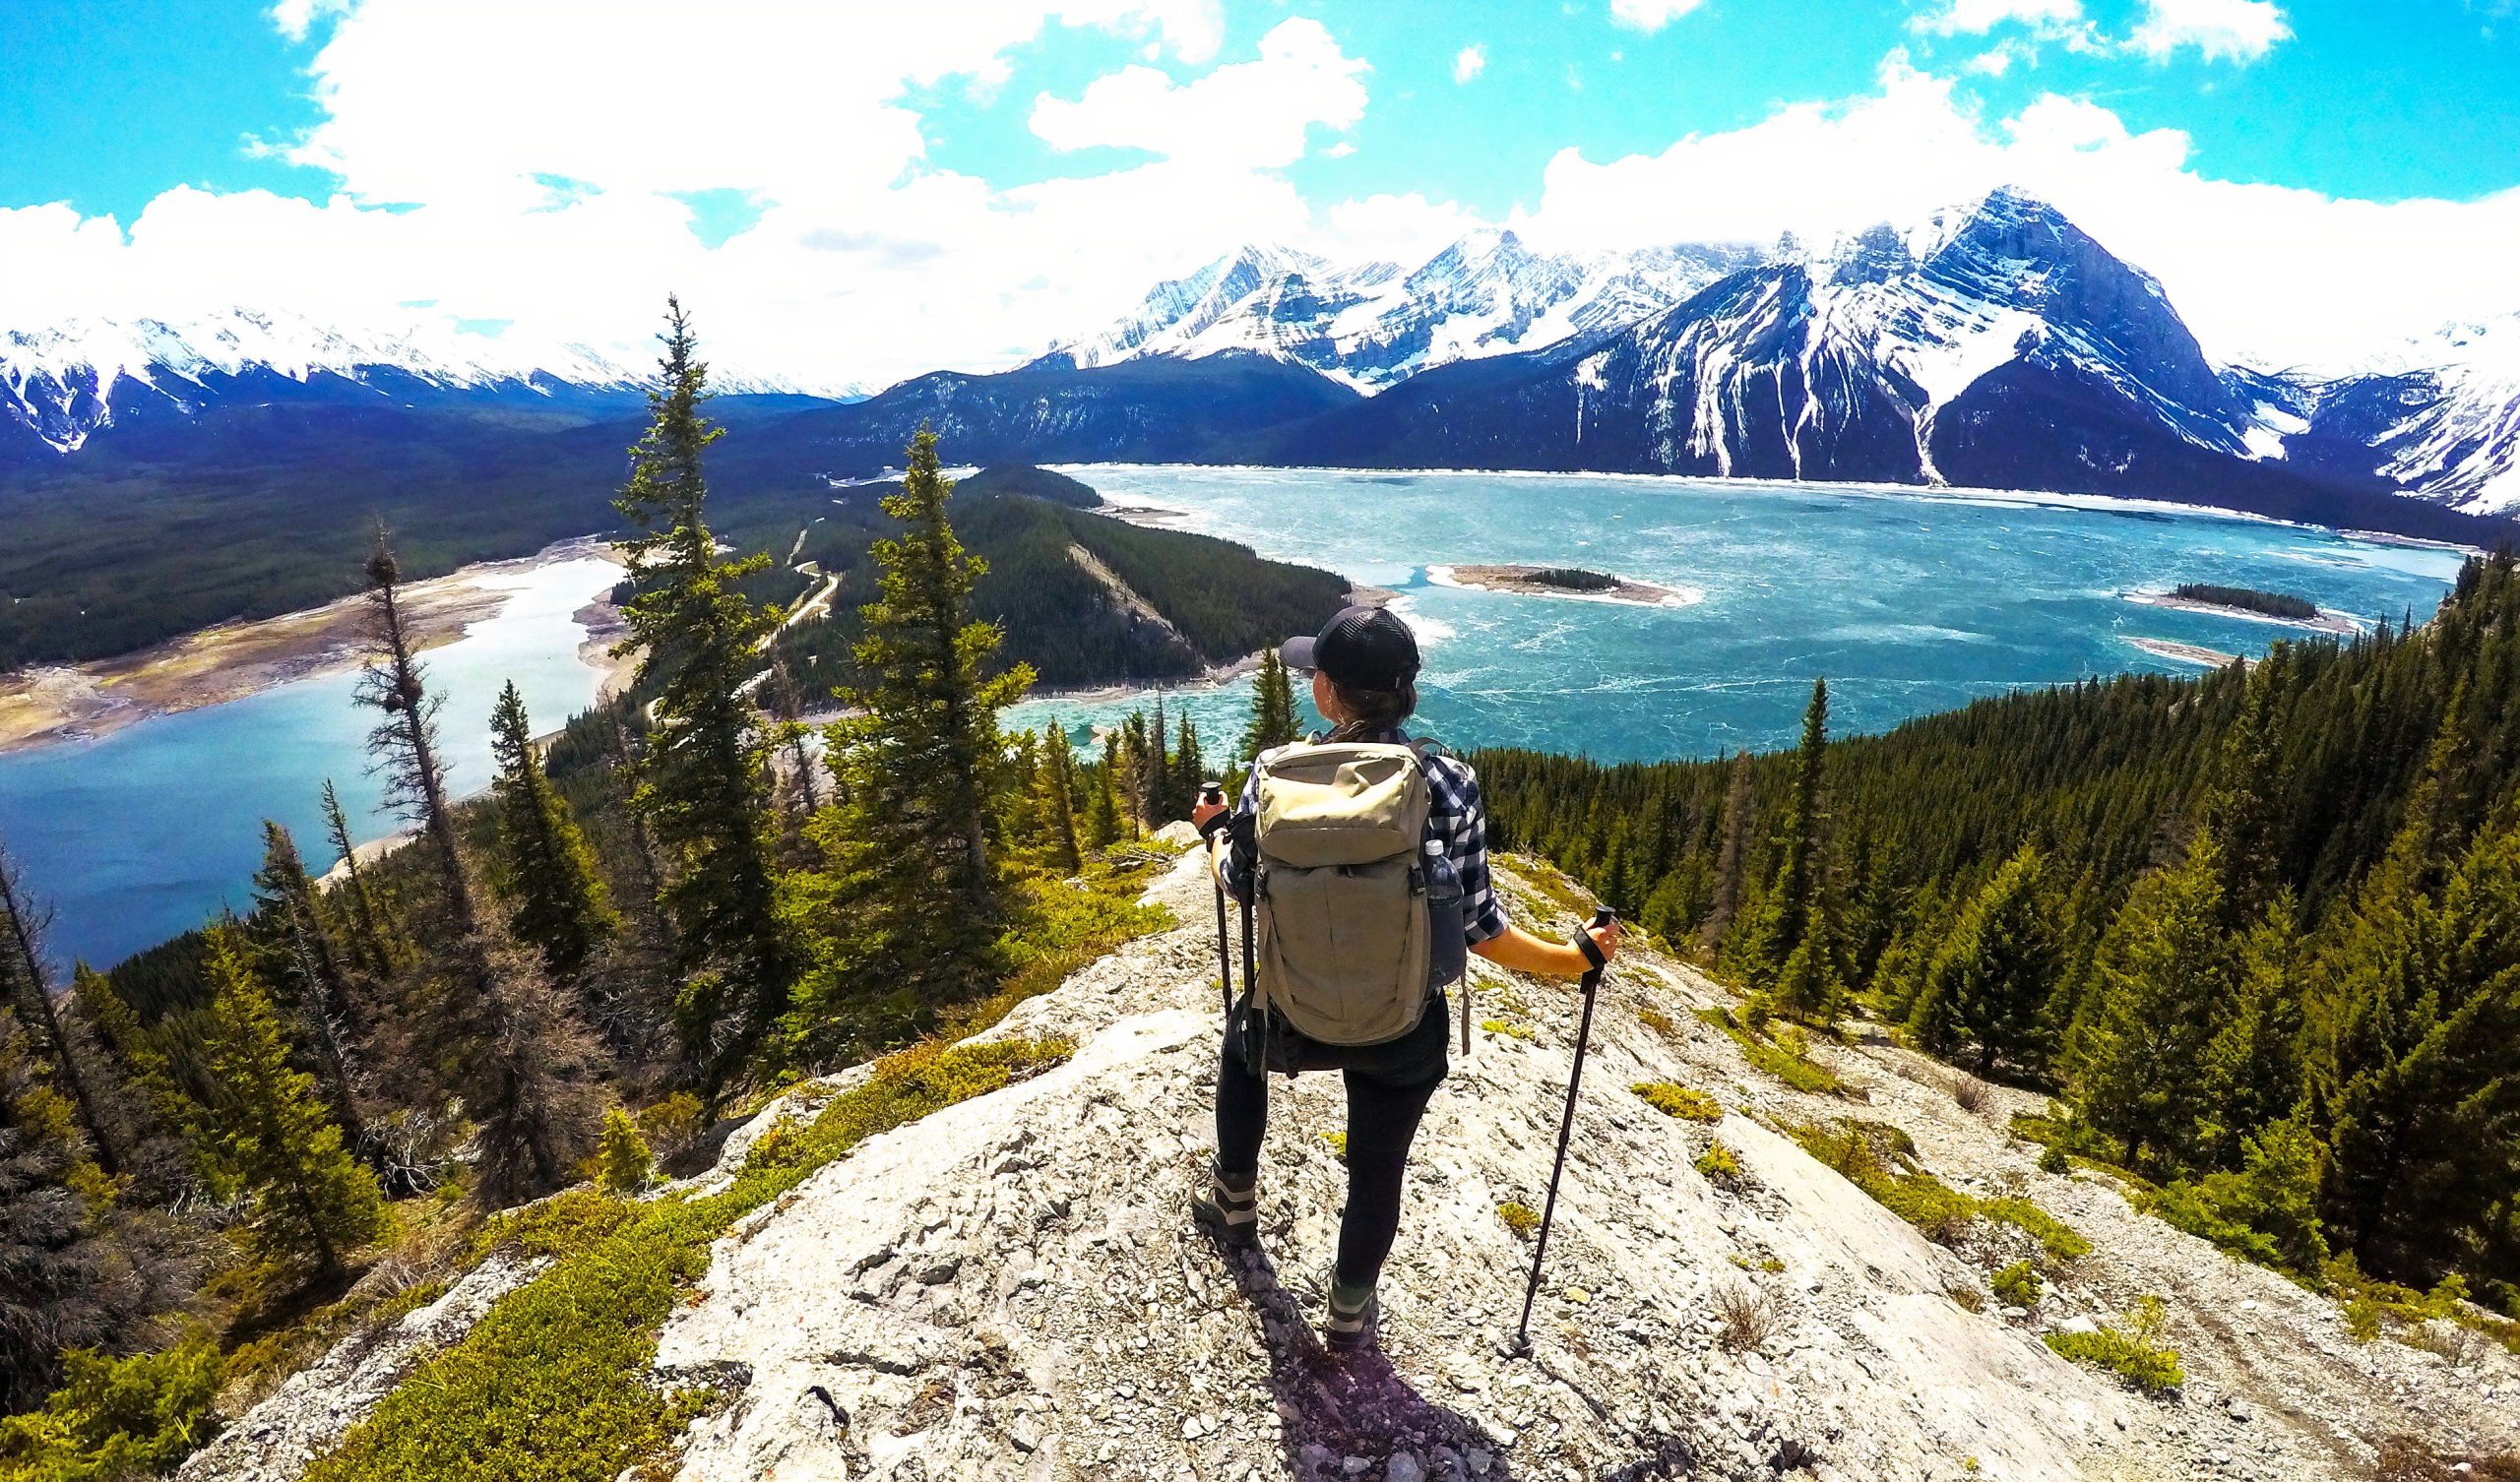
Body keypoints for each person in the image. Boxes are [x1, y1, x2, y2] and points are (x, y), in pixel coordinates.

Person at [1189, 605, 1620, 1354]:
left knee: (1241, 1047)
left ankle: (1233, 1200)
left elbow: (1236, 880)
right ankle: (1350, 1309)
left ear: (1327, 692)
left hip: (1291, 1011)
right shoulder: (1448, 782)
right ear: (1407, 693)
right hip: (1402, 1022)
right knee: (1377, 1164)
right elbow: (1482, 931)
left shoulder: (1273, 773)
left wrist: (1213, 833)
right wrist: (1573, 957)